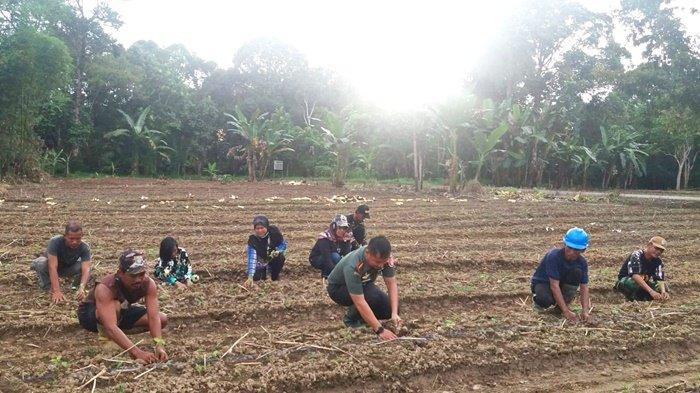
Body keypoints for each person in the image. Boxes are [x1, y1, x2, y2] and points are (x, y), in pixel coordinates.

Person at [77, 250, 168, 363]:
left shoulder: (148, 284)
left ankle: (119, 337)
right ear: (120, 273)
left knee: (162, 319)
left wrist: (159, 345)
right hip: (90, 315)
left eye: (141, 274)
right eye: (133, 276)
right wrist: (137, 352)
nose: (138, 279)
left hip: (122, 310)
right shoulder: (106, 287)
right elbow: (110, 326)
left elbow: (153, 317)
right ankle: (107, 339)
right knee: (115, 306)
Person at [326, 235, 401, 341]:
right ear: (367, 253)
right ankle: (350, 320)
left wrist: (394, 313)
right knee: (370, 294)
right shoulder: (355, 265)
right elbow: (359, 301)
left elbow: (391, 284)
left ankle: (365, 317)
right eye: (377, 262)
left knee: (390, 309)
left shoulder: (385, 258)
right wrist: (380, 330)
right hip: (338, 289)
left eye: (382, 262)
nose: (380, 266)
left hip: (364, 285)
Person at [530, 227, 593, 323]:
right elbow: (554, 286)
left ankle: (559, 308)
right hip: (543, 283)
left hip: (561, 283)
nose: (571, 252)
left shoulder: (582, 263)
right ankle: (539, 304)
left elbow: (584, 287)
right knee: (545, 299)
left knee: (577, 272)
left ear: (583, 250)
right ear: (565, 245)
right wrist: (566, 311)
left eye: (576, 250)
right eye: (569, 248)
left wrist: (585, 311)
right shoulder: (553, 256)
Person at [31, 220, 92, 303]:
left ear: (82, 236)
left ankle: (75, 287)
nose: (74, 242)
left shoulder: (84, 247)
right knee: (41, 262)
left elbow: (86, 269)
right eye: (71, 239)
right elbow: (52, 266)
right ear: (65, 236)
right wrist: (57, 291)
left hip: (66, 268)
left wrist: (82, 288)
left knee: (83, 267)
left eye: (78, 239)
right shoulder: (55, 241)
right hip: (49, 267)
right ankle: (48, 287)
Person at [614, 236, 669, 301]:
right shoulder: (637, 255)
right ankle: (631, 298)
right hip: (627, 281)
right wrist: (651, 291)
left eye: (661, 250)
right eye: (656, 248)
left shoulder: (658, 261)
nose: (658, 252)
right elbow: (635, 276)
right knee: (634, 284)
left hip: (643, 283)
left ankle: (646, 297)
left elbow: (659, 279)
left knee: (663, 286)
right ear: (649, 245)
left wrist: (663, 292)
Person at [245, 215, 287, 287]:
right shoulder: (253, 240)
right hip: (260, 262)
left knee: (280, 257)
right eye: (257, 228)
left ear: (266, 227)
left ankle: (274, 275)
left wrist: (278, 251)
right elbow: (252, 258)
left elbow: (283, 244)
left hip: (272, 259)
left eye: (262, 228)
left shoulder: (274, 233)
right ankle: (264, 273)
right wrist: (250, 276)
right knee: (257, 278)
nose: (260, 230)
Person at [309, 214, 356, 278]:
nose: (342, 230)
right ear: (334, 227)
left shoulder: (345, 238)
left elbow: (346, 256)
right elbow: (327, 258)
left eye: (344, 228)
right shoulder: (325, 238)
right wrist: (337, 272)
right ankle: (327, 275)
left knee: (338, 258)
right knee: (335, 256)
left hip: (332, 257)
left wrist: (347, 242)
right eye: (340, 227)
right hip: (317, 259)